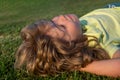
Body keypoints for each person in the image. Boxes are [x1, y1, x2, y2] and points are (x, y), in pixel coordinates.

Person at [14, 6, 120, 77]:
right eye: (62, 27)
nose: (60, 17)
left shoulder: (77, 26)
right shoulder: (95, 41)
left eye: (52, 21)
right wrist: (77, 64)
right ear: (70, 47)